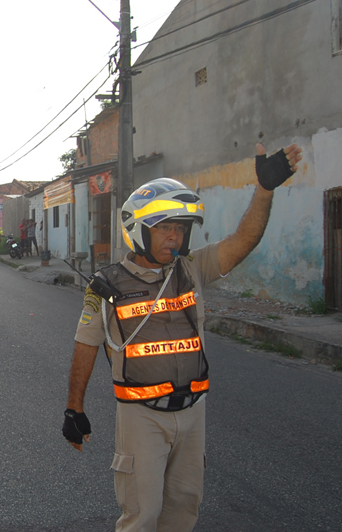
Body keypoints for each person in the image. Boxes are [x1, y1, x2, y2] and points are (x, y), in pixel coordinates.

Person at [63, 142, 303, 532]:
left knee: (183, 513)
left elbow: (242, 242)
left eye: (180, 228)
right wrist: (74, 410)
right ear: (139, 229)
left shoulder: (191, 269)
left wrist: (264, 190)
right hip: (142, 416)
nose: (174, 237)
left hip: (192, 414)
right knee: (142, 516)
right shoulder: (107, 285)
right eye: (164, 228)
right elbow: (86, 343)